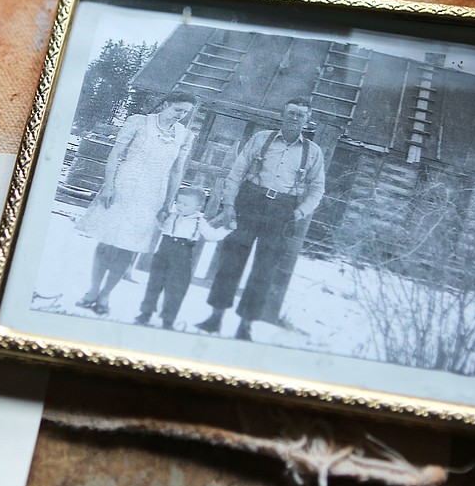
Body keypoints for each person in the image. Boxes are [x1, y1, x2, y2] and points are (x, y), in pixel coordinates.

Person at [196, 98, 326, 340]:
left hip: (283, 210)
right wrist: (229, 205)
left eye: (300, 115)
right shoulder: (261, 139)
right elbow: (236, 173)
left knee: (264, 269)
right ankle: (215, 317)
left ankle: (246, 325)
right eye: (291, 113)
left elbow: (317, 189)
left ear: (307, 120)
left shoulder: (313, 152)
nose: (294, 118)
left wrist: (298, 213)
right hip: (250, 202)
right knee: (231, 261)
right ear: (282, 114)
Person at [75, 90, 198, 316]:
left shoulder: (184, 136)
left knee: (129, 247)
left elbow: (176, 172)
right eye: (177, 110)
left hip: (153, 195)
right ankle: (92, 291)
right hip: (124, 186)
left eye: (186, 113)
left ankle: (105, 295)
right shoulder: (138, 123)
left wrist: (167, 204)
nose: (180, 116)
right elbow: (115, 155)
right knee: (107, 242)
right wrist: (109, 185)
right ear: (166, 104)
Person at [135, 187, 229, 330]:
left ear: (198, 207)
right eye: (178, 202)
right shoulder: (172, 215)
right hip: (163, 253)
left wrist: (227, 229)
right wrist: (160, 218)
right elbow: (160, 226)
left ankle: (168, 319)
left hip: (182, 256)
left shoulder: (199, 221)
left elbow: (212, 236)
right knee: (154, 284)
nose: (180, 206)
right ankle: (145, 313)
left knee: (176, 289)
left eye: (185, 204)